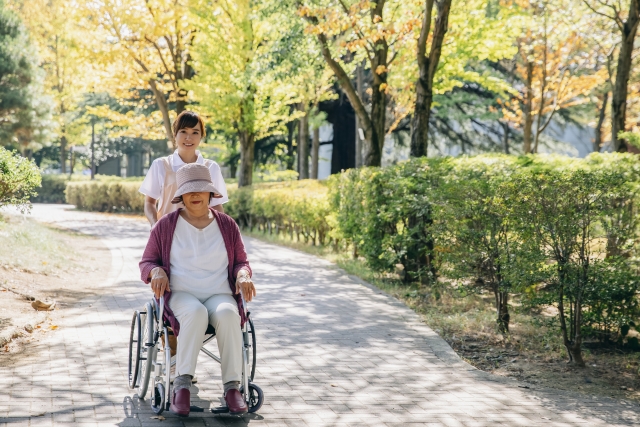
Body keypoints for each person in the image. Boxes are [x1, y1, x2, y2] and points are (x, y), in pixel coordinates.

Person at [139, 163, 257, 417]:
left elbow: (240, 262)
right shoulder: (166, 225)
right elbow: (147, 262)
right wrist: (156, 271)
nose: (195, 195)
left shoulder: (227, 225)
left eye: (201, 190)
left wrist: (244, 274)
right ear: (180, 195)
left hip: (219, 294)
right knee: (195, 312)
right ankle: (181, 386)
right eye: (189, 191)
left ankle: (232, 388)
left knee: (228, 314)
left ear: (210, 194)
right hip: (182, 294)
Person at [139, 110, 228, 227]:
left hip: (202, 234)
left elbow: (216, 205)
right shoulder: (161, 165)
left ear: (201, 136)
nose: (189, 137)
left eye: (195, 132)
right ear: (175, 134)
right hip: (168, 233)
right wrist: (154, 226)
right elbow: (150, 202)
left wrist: (221, 231)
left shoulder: (211, 167)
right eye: (183, 131)